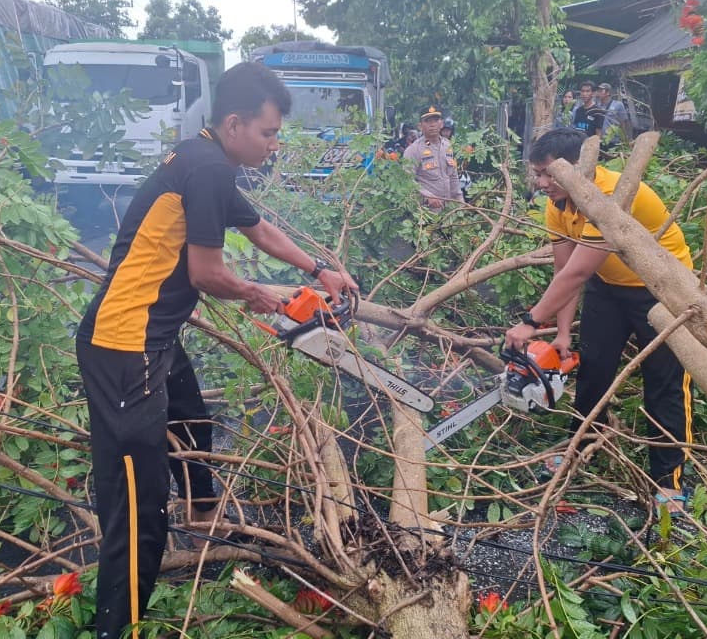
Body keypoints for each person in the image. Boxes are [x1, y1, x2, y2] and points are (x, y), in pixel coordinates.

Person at [75, 62, 359, 639]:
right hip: (124, 346)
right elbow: (207, 273)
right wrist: (268, 296)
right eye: (269, 133)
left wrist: (320, 269)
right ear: (234, 124)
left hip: (151, 338)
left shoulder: (206, 160)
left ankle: (202, 517)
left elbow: (257, 229)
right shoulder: (206, 170)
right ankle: (117, 627)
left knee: (194, 422)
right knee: (136, 506)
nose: (275, 145)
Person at [504, 128, 694, 516]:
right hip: (609, 287)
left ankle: (669, 482)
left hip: (663, 290)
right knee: (592, 371)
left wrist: (529, 322)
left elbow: (577, 273)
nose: (540, 183)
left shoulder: (610, 194)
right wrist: (559, 335)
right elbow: (564, 271)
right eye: (536, 174)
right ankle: (578, 449)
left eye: (546, 174)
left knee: (664, 385)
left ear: (575, 168)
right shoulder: (557, 204)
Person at [404, 104, 461, 210]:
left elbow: (453, 176)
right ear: (420, 126)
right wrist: (426, 196)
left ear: (442, 123)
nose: (432, 125)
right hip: (425, 214)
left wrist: (461, 204)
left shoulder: (447, 145)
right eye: (428, 121)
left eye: (436, 120)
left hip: (448, 212)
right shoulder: (413, 150)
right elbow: (406, 181)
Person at [596, 82, 632, 147]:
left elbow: (623, 123)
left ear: (608, 93)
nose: (599, 93)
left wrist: (625, 140)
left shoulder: (618, 105)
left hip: (613, 141)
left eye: (601, 90)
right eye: (598, 91)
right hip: (600, 141)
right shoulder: (597, 106)